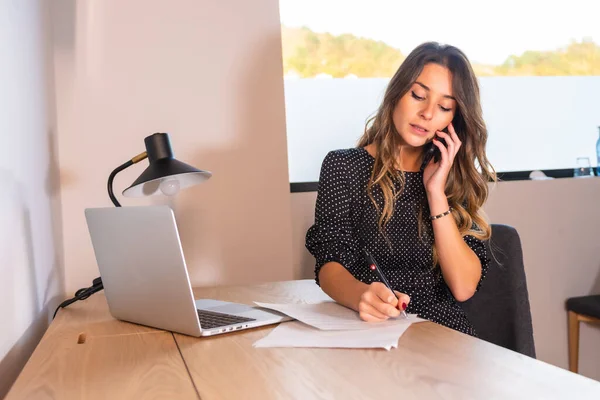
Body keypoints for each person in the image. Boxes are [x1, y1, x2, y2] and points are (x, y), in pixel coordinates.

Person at [305, 41, 496, 336]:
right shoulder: (343, 166)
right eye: (418, 95)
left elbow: (463, 287)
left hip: (441, 335)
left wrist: (435, 193)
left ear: (453, 120)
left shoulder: (451, 179)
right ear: (397, 93)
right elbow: (329, 264)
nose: (428, 113)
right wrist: (361, 296)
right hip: (367, 328)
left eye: (445, 106)